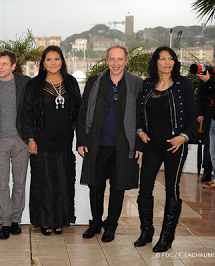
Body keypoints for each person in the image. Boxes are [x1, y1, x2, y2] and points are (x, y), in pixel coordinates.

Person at [77, 45, 143, 242]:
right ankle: (96, 223)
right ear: (107, 61)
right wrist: (81, 140)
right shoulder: (94, 82)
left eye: (120, 59)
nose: (116, 63)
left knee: (118, 187)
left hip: (124, 145)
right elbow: (82, 113)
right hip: (97, 144)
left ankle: (111, 226)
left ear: (126, 60)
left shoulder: (136, 84)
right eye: (112, 59)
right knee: (95, 186)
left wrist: (139, 145)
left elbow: (142, 118)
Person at [135, 46, 197, 252]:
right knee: (144, 189)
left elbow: (192, 116)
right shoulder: (147, 85)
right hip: (152, 145)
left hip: (174, 146)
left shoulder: (183, 84)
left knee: (172, 190)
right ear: (156, 63)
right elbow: (140, 115)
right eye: (163, 59)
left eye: (170, 58)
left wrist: (183, 137)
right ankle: (146, 231)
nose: (167, 62)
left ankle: (166, 236)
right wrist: (140, 130)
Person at [22, 45, 81, 235]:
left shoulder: (71, 82)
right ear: (43, 63)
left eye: (57, 59)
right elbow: (27, 114)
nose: (53, 63)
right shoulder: (34, 84)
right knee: (44, 181)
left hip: (64, 142)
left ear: (62, 61)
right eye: (49, 59)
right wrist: (30, 138)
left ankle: (60, 220)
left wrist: (81, 139)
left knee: (63, 181)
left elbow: (79, 113)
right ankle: (44, 221)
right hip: (41, 141)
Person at [0, 50, 31, 239]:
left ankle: (16, 220)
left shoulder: (25, 82)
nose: (0, 67)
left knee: (20, 182)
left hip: (20, 141)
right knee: (1, 183)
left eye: (4, 64)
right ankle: (5, 221)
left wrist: (31, 138)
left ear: (13, 66)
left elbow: (32, 110)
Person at [197, 50, 215, 194]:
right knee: (214, 153)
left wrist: (209, 81)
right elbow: (202, 94)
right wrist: (209, 78)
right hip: (214, 121)